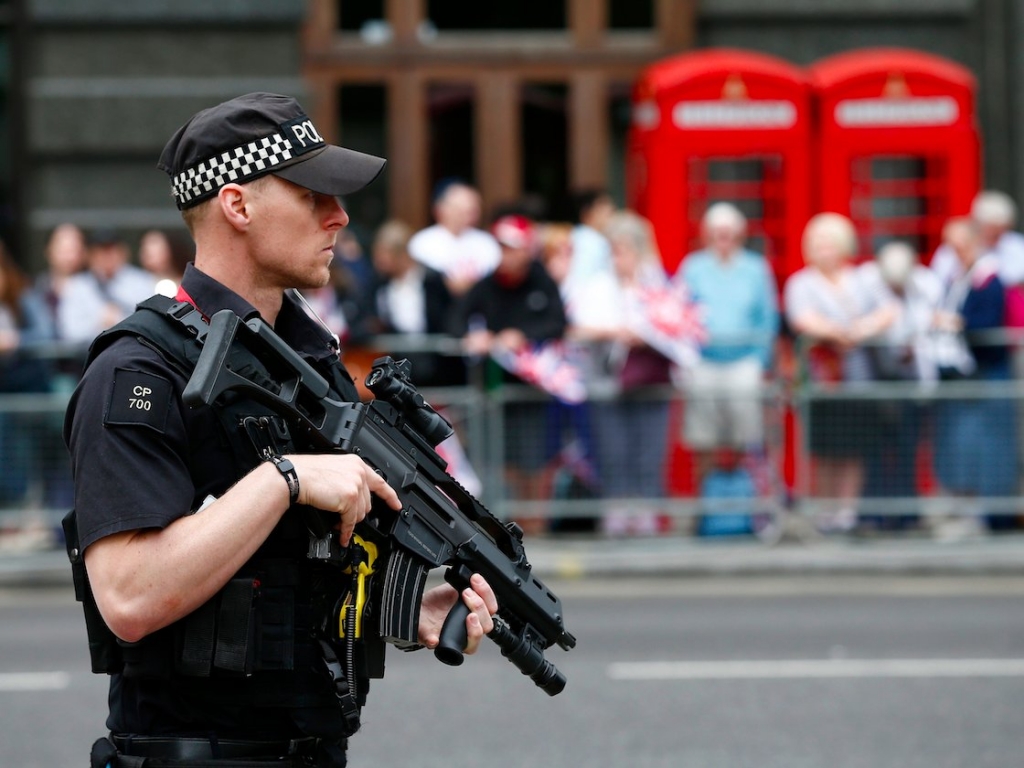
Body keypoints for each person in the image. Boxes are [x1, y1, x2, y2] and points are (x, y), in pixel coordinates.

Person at [63, 92, 498, 768]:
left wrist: (403, 608)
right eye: (312, 196)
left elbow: (293, 572)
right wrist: (284, 480)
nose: (340, 216)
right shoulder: (137, 369)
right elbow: (128, 595)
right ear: (237, 206)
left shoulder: (310, 361)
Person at [450, 213, 568, 530]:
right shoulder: (487, 284)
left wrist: (521, 335)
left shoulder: (542, 282)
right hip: (496, 388)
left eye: (513, 247)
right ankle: (510, 525)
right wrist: (476, 337)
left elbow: (557, 323)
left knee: (535, 460)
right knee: (501, 459)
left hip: (534, 391)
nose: (507, 254)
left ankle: (534, 523)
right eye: (502, 247)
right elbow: (456, 320)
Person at [784, 212, 896, 533]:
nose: (824, 250)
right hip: (823, 378)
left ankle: (848, 511)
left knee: (854, 446)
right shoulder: (802, 282)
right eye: (818, 243)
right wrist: (837, 332)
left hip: (858, 376)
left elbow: (889, 310)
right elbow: (801, 319)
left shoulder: (863, 278)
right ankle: (824, 509)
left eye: (830, 243)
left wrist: (860, 329)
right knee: (825, 446)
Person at [674, 202, 779, 492]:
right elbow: (679, 314)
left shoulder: (756, 269)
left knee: (746, 437)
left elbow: (767, 319)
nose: (724, 238)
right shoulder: (693, 267)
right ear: (707, 234)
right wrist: (687, 360)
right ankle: (706, 508)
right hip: (703, 363)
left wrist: (760, 362)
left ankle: (745, 506)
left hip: (744, 362)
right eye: (718, 232)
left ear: (740, 235)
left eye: (729, 233)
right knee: (702, 438)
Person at [929, 217, 1018, 537]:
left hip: (987, 373)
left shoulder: (988, 278)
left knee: (988, 445)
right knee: (962, 445)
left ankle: (991, 514)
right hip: (965, 375)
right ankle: (966, 509)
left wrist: (957, 322)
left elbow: (987, 323)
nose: (955, 251)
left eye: (960, 244)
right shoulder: (959, 277)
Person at [857, 241, 943, 530]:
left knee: (908, 450)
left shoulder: (922, 287)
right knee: (876, 452)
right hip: (877, 382)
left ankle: (908, 514)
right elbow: (857, 331)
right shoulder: (866, 287)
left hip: (910, 383)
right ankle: (875, 514)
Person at [369, 219, 460, 387]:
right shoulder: (378, 284)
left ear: (402, 254)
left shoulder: (433, 280)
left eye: (384, 255)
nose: (379, 262)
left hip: (437, 363)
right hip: (398, 361)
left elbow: (449, 316)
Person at [57, 227, 156, 344]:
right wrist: (100, 324)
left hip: (133, 351)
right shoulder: (78, 286)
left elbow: (151, 324)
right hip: (89, 356)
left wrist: (120, 321)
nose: (107, 256)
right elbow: (70, 332)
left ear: (123, 252)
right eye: (101, 250)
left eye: (111, 249)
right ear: (90, 255)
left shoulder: (141, 282)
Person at [408, 180, 501, 297]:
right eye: (462, 211)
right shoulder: (422, 242)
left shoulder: (487, 242)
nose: (470, 216)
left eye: (473, 211)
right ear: (442, 210)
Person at [137, 228, 193, 297]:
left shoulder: (190, 283)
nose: (147, 248)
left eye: (154, 242)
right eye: (144, 244)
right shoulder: (136, 282)